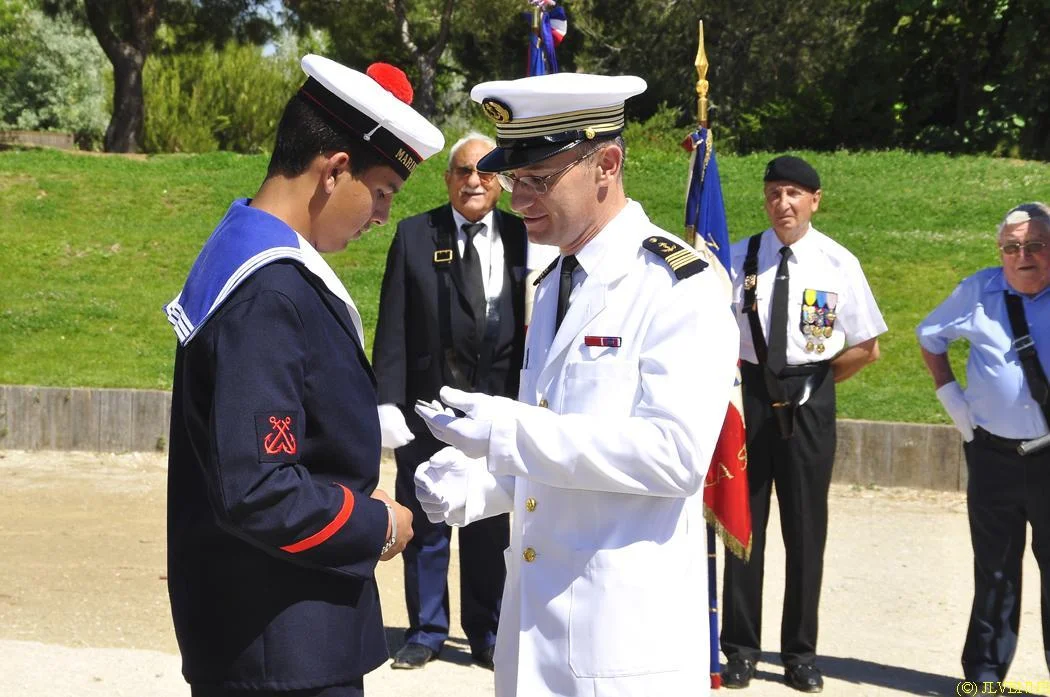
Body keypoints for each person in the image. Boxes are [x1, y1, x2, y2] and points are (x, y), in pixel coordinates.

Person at [410, 72, 739, 697]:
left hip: (620, 644)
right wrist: (483, 483)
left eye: (538, 179)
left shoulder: (676, 285)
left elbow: (674, 457)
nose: (517, 199)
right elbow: (562, 442)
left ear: (606, 165)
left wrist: (509, 434)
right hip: (537, 635)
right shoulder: (554, 280)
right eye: (514, 179)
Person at [163, 55, 444, 697]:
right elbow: (260, 488)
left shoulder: (253, 254)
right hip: (279, 645)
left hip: (276, 635)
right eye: (383, 192)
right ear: (334, 170)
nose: (382, 216)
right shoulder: (268, 290)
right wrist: (375, 524)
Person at [720, 156, 887, 692]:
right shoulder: (740, 257)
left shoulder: (838, 263)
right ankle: (740, 648)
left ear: (815, 200)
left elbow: (867, 346)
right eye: (774, 193)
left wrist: (816, 385)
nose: (782, 203)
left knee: (806, 529)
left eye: (793, 193)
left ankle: (800, 654)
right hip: (750, 394)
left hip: (809, 398)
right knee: (744, 526)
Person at [372, 132, 526, 670]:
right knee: (426, 521)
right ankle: (426, 629)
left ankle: (487, 631)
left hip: (499, 408)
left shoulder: (525, 237)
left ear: (501, 182)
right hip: (427, 409)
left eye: (486, 172)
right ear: (448, 179)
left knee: (489, 523)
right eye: (463, 171)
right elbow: (393, 322)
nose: (474, 181)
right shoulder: (416, 234)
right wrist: (387, 402)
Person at [916, 202, 1050, 684]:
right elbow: (929, 336)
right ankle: (984, 677)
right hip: (993, 456)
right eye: (1012, 247)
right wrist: (953, 400)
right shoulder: (978, 290)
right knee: (994, 572)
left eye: (1035, 245)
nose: (1023, 256)